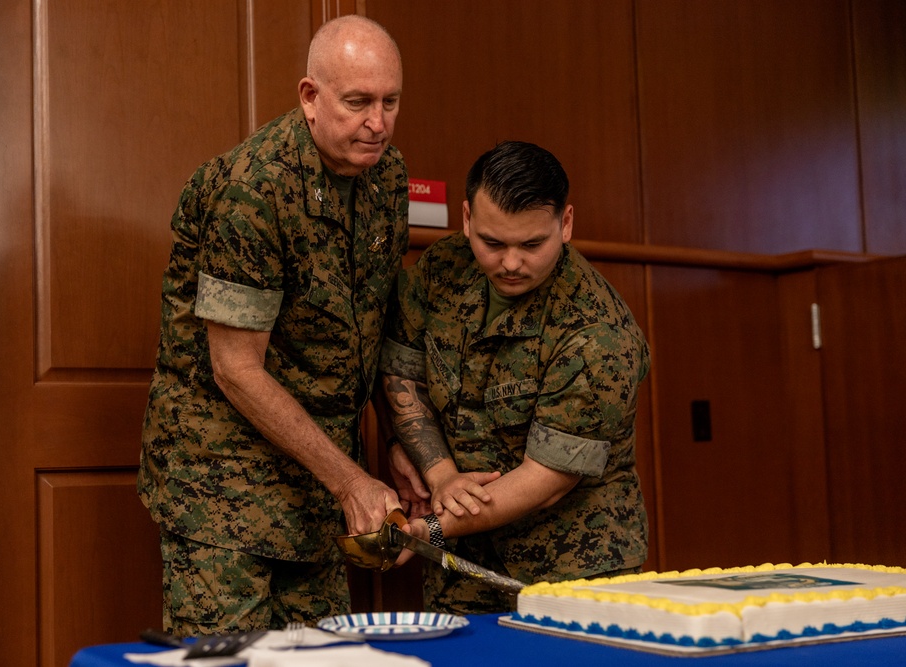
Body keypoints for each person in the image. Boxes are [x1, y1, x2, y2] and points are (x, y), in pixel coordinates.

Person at [138, 15, 409, 634]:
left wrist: (399, 445)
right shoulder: (252, 191)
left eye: (390, 102)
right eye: (358, 102)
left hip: (317, 488)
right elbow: (235, 370)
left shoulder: (386, 177)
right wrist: (351, 484)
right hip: (221, 490)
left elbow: (374, 329)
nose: (378, 124)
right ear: (310, 98)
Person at [380, 141, 651, 614]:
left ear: (565, 225)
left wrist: (429, 529)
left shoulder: (598, 335)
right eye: (491, 242)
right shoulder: (442, 270)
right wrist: (440, 473)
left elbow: (544, 481)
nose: (509, 263)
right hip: (461, 570)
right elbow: (402, 374)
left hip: (572, 572)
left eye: (531, 245)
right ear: (466, 219)